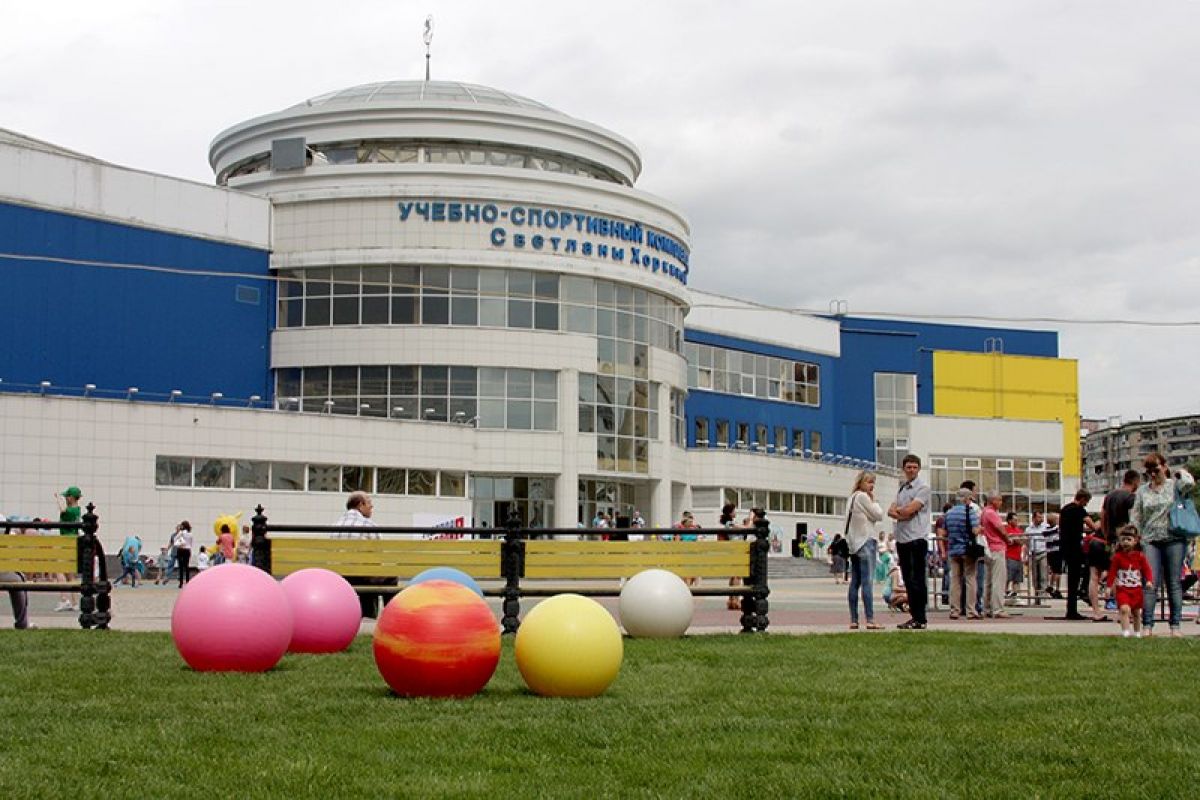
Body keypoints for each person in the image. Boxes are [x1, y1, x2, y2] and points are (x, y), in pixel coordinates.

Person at [1132, 453, 1195, 637]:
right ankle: (1147, 625)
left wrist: (1180, 472)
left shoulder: (1175, 486)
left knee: (1174, 583)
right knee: (1150, 583)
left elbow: (1190, 484)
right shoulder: (1143, 491)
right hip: (1150, 540)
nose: (1153, 474)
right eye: (1149, 471)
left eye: (1156, 469)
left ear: (1164, 467)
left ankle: (1175, 626)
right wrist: (1137, 537)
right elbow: (1136, 515)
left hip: (1174, 538)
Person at [887, 454, 931, 629]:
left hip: (916, 538)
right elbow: (891, 511)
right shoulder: (902, 488)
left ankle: (921, 617)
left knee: (917, 579)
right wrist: (901, 511)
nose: (911, 470)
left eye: (914, 467)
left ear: (919, 469)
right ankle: (914, 616)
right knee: (908, 579)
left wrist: (902, 512)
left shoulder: (923, 488)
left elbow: (911, 510)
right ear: (903, 469)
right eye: (908, 467)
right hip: (902, 539)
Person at [334, 491, 393, 619]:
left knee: (367, 572)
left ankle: (367, 612)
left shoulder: (336, 526)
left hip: (340, 576)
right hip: (363, 575)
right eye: (370, 503)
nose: (372, 507)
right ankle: (389, 617)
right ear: (361, 505)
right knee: (388, 575)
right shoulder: (370, 525)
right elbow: (379, 558)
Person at [845, 470, 884, 630]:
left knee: (855, 582)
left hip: (854, 544)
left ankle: (854, 619)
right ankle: (870, 619)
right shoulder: (862, 497)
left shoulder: (851, 498)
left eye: (873, 482)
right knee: (867, 581)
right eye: (869, 482)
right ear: (861, 482)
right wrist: (875, 502)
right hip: (865, 541)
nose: (871, 485)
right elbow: (878, 514)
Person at [944, 487, 983, 620]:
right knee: (970, 578)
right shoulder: (970, 512)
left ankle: (955, 610)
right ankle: (971, 610)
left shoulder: (949, 513)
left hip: (953, 549)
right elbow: (974, 530)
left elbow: (944, 532)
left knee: (955, 580)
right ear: (967, 499)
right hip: (967, 549)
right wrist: (980, 529)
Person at [1057, 489, 1096, 621]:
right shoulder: (1079, 510)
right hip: (1075, 548)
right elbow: (1092, 525)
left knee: (1071, 579)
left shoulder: (1065, 509)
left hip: (1065, 547)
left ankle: (1071, 609)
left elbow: (1068, 526)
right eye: (1086, 502)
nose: (1086, 505)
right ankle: (1080, 595)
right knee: (1084, 572)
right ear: (1083, 499)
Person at [1108, 525, 1153, 638]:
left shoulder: (1140, 557)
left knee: (1137, 612)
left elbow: (1147, 570)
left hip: (1136, 589)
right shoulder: (1117, 557)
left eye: (1129, 539)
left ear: (1135, 541)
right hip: (1123, 589)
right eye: (1123, 540)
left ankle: (1137, 632)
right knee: (1124, 609)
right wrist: (1109, 587)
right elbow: (1112, 573)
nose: (1126, 542)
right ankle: (1126, 631)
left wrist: (1149, 581)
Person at [980, 492, 1011, 619]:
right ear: (993, 501)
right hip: (997, 547)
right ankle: (998, 609)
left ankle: (986, 608)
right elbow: (1000, 529)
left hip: (987, 548)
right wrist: (1008, 539)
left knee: (988, 580)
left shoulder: (983, 512)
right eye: (1000, 500)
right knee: (998, 580)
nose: (1001, 503)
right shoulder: (992, 513)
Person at [53, 486, 83, 612]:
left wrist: (57, 500)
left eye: (67, 496)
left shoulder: (70, 511)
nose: (65, 498)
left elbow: (62, 511)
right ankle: (75, 602)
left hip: (66, 542)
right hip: (73, 542)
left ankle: (64, 599)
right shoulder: (78, 510)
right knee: (70, 575)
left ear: (71, 498)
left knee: (59, 570)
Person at [1025, 511, 1050, 598]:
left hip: (1043, 553)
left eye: (1041, 517)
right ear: (1034, 518)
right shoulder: (1029, 529)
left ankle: (1043, 595)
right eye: (1039, 517)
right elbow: (1026, 543)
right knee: (1035, 576)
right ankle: (1036, 594)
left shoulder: (1046, 527)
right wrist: (1026, 555)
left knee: (1043, 575)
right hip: (1033, 554)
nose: (1041, 519)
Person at [1004, 512, 1024, 599]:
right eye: (1014, 520)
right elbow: (1012, 540)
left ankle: (1016, 595)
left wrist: (1017, 540)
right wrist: (1017, 540)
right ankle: (1004, 593)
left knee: (1017, 578)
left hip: (1018, 557)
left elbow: (1022, 541)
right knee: (1008, 577)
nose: (1016, 521)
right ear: (1009, 520)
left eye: (1017, 520)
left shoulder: (1019, 530)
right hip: (1009, 556)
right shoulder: (1006, 529)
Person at [1044, 512, 1062, 598]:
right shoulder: (1057, 529)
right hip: (1057, 551)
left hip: (1049, 552)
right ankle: (1057, 588)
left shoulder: (1046, 530)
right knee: (1058, 571)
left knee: (1053, 570)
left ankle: (1051, 585)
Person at [172, 521, 194, 587]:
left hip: (181, 549)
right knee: (186, 566)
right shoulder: (191, 534)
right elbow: (191, 544)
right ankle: (187, 581)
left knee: (181, 567)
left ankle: (181, 583)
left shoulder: (181, 533)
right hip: (187, 550)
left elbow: (174, 539)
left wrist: (180, 543)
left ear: (183, 526)